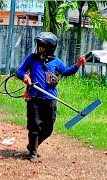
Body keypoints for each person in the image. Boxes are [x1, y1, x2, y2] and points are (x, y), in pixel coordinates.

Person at [16, 32, 86, 163]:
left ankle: (33, 145)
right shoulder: (32, 58)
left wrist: (78, 65)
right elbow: (19, 71)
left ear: (50, 47)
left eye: (42, 45)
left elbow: (66, 72)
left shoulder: (57, 62)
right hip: (34, 98)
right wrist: (25, 76)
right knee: (34, 126)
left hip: (50, 99)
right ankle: (33, 153)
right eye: (39, 44)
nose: (39, 47)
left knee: (48, 128)